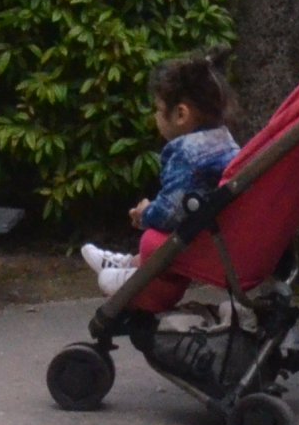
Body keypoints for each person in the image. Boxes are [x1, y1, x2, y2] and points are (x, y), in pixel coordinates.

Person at [76, 49, 242, 296]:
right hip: (224, 235)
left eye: (158, 108)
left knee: (153, 240)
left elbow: (169, 213)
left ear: (181, 114)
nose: (155, 116)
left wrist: (146, 213)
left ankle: (132, 276)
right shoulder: (226, 143)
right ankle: (129, 263)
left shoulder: (188, 154)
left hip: (206, 245)